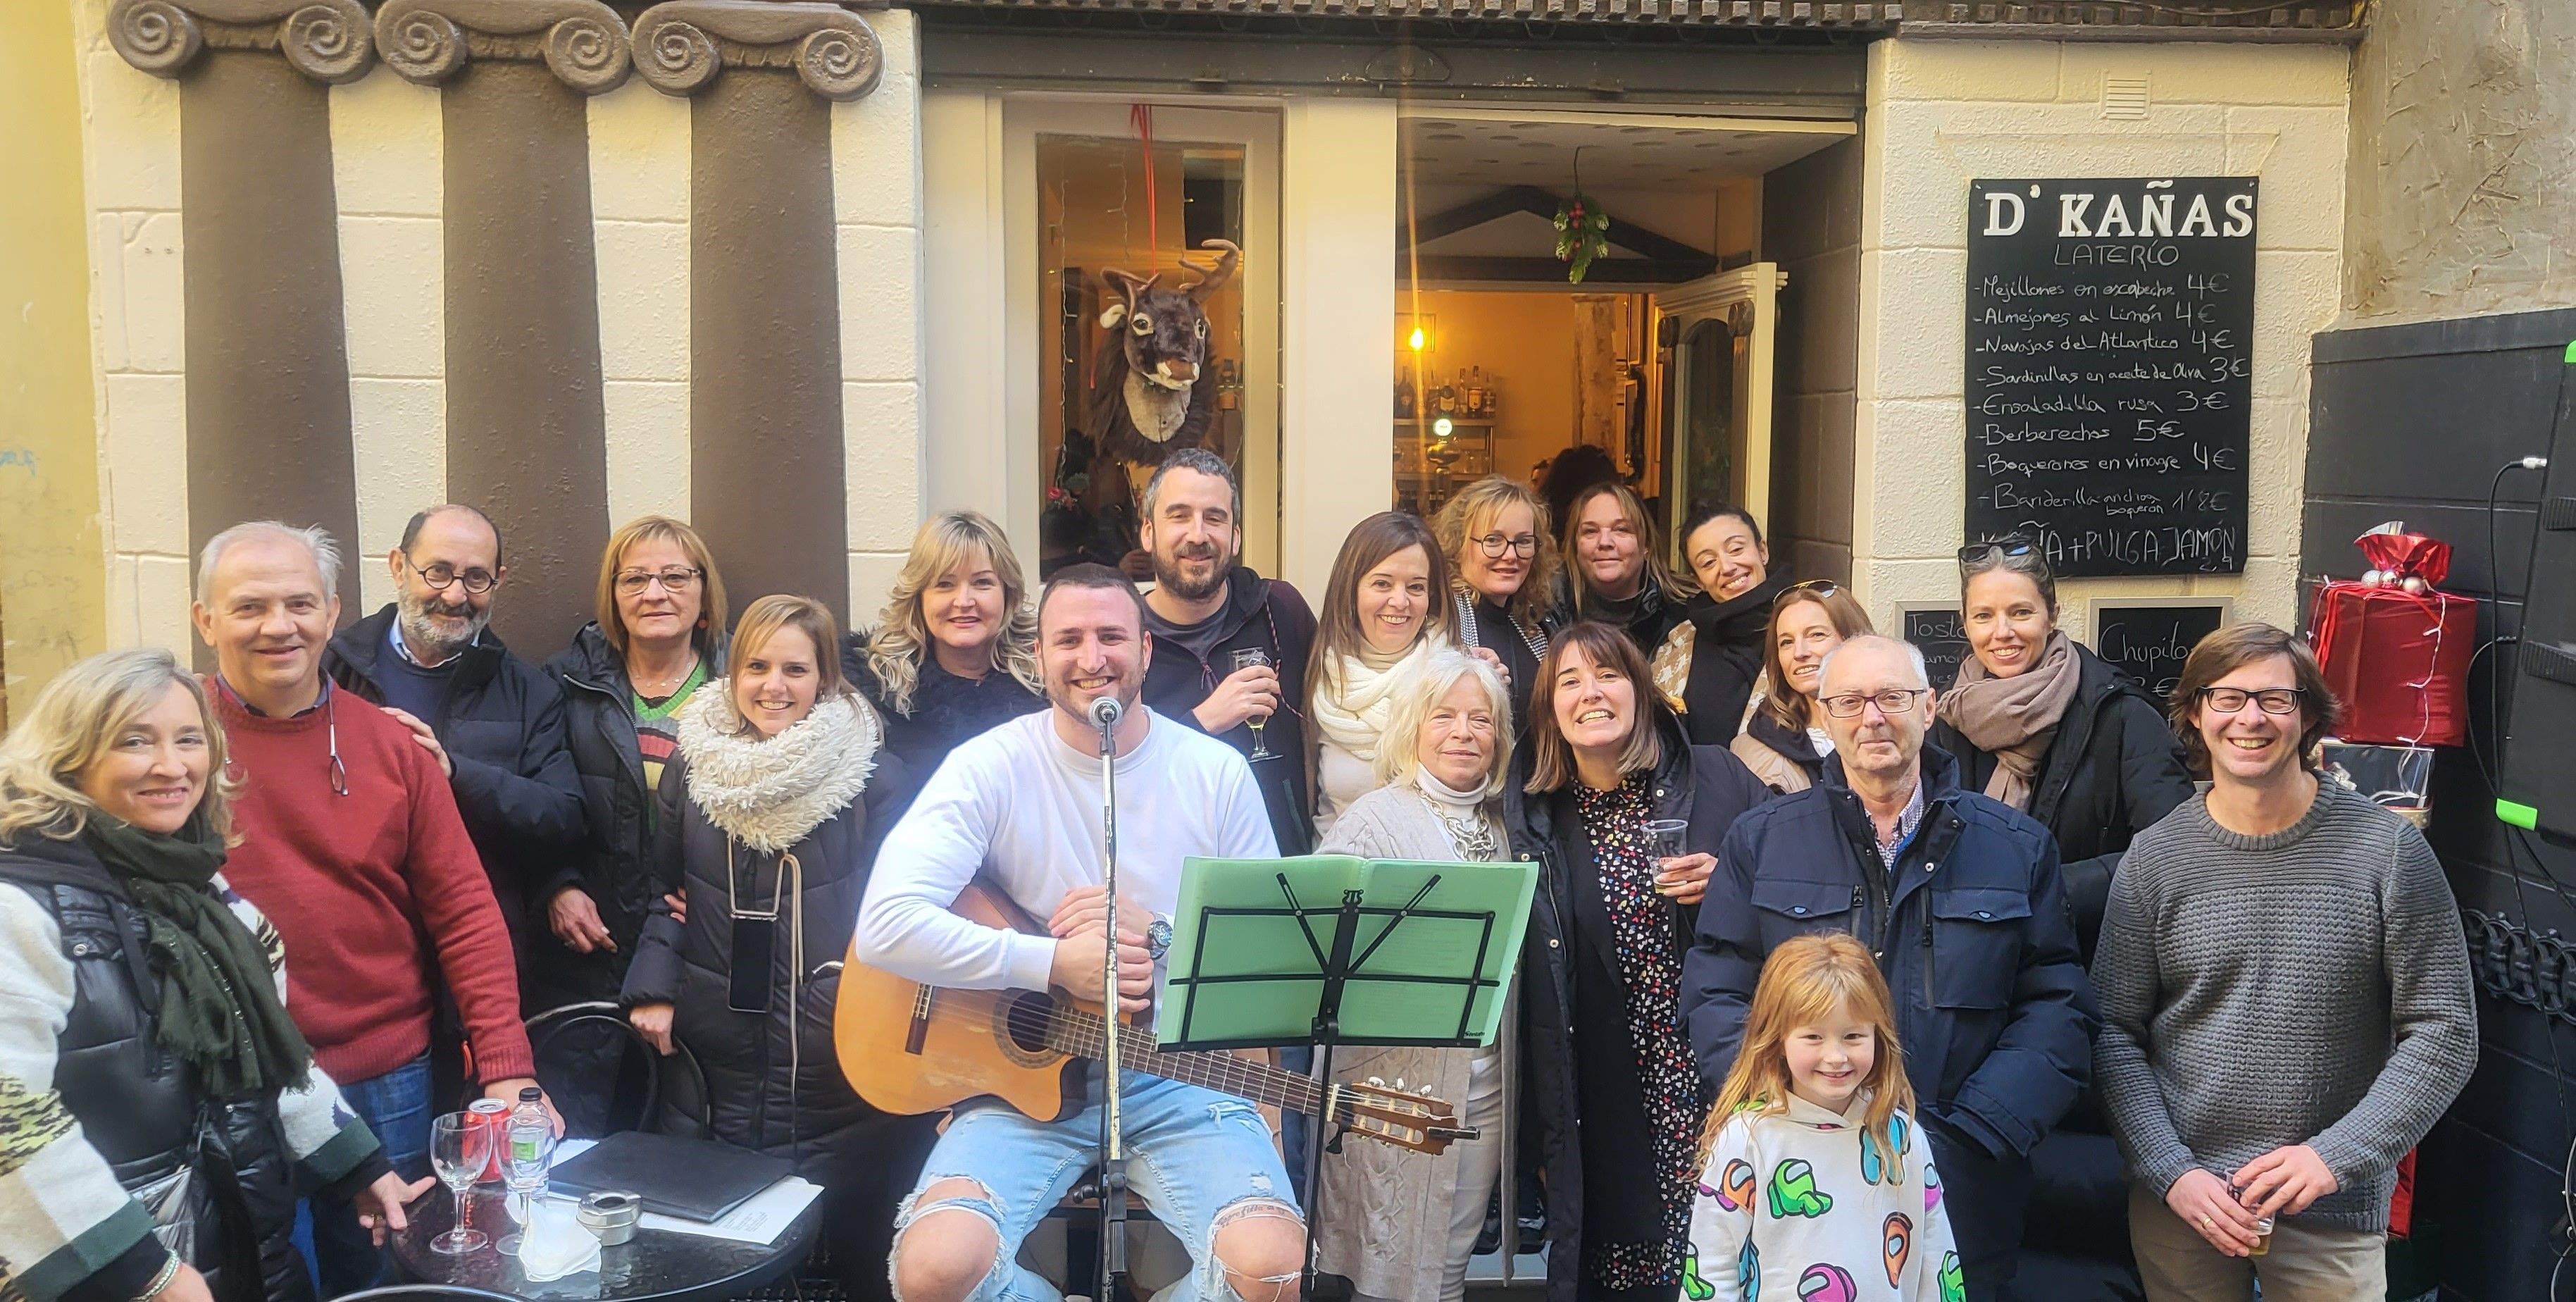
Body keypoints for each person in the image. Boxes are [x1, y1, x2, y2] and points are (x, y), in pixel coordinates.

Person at [857, 564, 1304, 1302]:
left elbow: (1275, 956)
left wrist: (1160, 936)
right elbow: (884, 926)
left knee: (1274, 1270)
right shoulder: (988, 766)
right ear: (1039, 657)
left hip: (1179, 1071)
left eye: (1111, 637)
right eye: (1069, 639)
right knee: (934, 1270)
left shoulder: (1216, 773)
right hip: (1021, 1082)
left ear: (1147, 652)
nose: (1091, 658)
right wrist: (1052, 963)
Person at [0, 650, 430, 1302]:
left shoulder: (215, 901)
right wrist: (144, 1273)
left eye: (189, 740)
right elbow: (11, 1117)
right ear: (69, 755)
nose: (171, 767)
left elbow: (274, 1061)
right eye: (134, 741)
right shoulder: (21, 910)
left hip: (246, 1251)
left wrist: (360, 1169)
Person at [1681, 635, 2094, 1302]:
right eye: (1848, 701)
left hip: (1959, 1173)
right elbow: (1718, 988)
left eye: (1891, 697)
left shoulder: (2013, 846)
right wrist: (1781, 1110)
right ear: (1823, 716)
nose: (1872, 717)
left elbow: (2056, 1003)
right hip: (1799, 1174)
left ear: (1928, 708)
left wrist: (1974, 1131)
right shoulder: (1761, 840)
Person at [189, 521, 544, 1296]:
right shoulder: (175, 751)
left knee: (388, 1283)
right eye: (249, 606)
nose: (279, 625)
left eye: (300, 603)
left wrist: (507, 1069)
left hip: (385, 1079)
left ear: (333, 610)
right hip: (232, 1084)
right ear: (205, 619)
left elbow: (465, 911)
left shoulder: (388, 745)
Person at [2093, 624, 2477, 1301]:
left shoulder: (2386, 851)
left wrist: (2336, 1157)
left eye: (2274, 699)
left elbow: (2445, 1031)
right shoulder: (2154, 860)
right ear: (2193, 715)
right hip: (2186, 1204)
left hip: (2331, 1210)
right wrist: (2168, 1169)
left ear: (2306, 717)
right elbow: (2111, 1031)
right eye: (2227, 698)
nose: (2250, 718)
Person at [620, 595, 927, 1300]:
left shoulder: (875, 780)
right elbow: (664, 891)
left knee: (853, 1252)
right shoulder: (694, 773)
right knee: (728, 1252)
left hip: (836, 1051)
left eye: (796, 668)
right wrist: (657, 984)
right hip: (714, 1050)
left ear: (827, 679)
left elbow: (909, 914)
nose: (774, 685)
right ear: (731, 673)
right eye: (756, 666)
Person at [1507, 621, 1773, 1302]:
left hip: (1716, 1073)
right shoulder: (1537, 819)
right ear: (1549, 710)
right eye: (1569, 681)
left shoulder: (1717, 776)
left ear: (1642, 691)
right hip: (1604, 1093)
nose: (1590, 693)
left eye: (1608, 675)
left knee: (1729, 1260)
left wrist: (1732, 882)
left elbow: (1799, 890)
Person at [1312, 649, 1519, 1302]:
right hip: (1391, 1081)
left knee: (1451, 1261)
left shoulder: (1510, 822)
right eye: (1444, 716)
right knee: (1389, 1267)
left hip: (1486, 1080)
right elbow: (1318, 949)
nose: (1463, 732)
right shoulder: (1371, 819)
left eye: (1481, 719)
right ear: (1412, 729)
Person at [323, 504, 585, 989]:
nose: (455, 595)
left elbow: (562, 815)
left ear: (499, 581)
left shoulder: (531, 692)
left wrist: (455, 773)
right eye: (438, 572)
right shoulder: (329, 672)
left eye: (476, 578)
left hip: (473, 963)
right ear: (399, 566)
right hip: (351, 956)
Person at [540, 516, 726, 1125]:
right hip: (588, 944)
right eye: (636, 579)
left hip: (700, 944)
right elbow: (541, 799)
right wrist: (558, 884)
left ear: (703, 593)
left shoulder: (742, 685)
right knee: (585, 1133)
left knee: (684, 1138)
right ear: (613, 596)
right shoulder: (564, 683)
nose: (655, 594)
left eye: (675, 577)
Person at [1929, 538, 2194, 955]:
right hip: (1965, 960)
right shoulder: (1944, 722)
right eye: (1984, 616)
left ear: (2052, 615)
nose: (2003, 632)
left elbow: (2172, 851)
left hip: (2089, 960)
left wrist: (2044, 894)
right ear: (1965, 624)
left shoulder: (2122, 715)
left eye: (2020, 613)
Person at [1685, 933, 1961, 1302]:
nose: (1836, 1056)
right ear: (1777, 1038)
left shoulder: (1901, 1137)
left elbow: (1937, 1262)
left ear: (1878, 1037)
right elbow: (1711, 1268)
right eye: (1814, 1037)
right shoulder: (1747, 1139)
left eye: (1852, 1036)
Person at [1133, 447, 1320, 855]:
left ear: (1235, 536)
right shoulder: (1122, 641)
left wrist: (1456, 661)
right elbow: (1106, 776)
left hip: (1282, 873)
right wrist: (1202, 722)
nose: (1198, 535)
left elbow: (1352, 679)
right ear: (1148, 532)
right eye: (1179, 516)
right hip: (1169, 878)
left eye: (1214, 518)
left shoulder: (1280, 610)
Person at [847, 510, 1047, 774]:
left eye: (982, 583)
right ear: (918, 597)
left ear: (1008, 595)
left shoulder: (1047, 684)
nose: (964, 601)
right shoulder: (873, 691)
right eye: (944, 584)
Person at [1309, 511, 1463, 835]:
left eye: (1416, 587)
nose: (1400, 601)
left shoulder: (1459, 682)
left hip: (1434, 878)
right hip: (1339, 876)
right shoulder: (1318, 679)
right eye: (1382, 584)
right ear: (1351, 591)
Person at [1651, 505, 1791, 745]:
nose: (1727, 568)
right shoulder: (1681, 642)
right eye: (1708, 563)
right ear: (1699, 581)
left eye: (1736, 549)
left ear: (1763, 551)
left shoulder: (1809, 627)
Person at [1728, 582, 1873, 794]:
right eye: (1786, 642)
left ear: (1853, 638)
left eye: (1816, 635)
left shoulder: (1899, 726)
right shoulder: (1750, 751)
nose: (1800, 653)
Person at [1433, 476, 1559, 719]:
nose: (1511, 555)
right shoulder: (1438, 624)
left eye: (1523, 541)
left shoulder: (1536, 628)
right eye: (1493, 540)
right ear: (1458, 544)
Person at [1560, 482, 1691, 659]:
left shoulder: (1682, 615)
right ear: (1575, 547)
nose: (1605, 542)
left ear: (1646, 546)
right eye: (1591, 531)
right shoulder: (1549, 614)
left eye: (1621, 529)